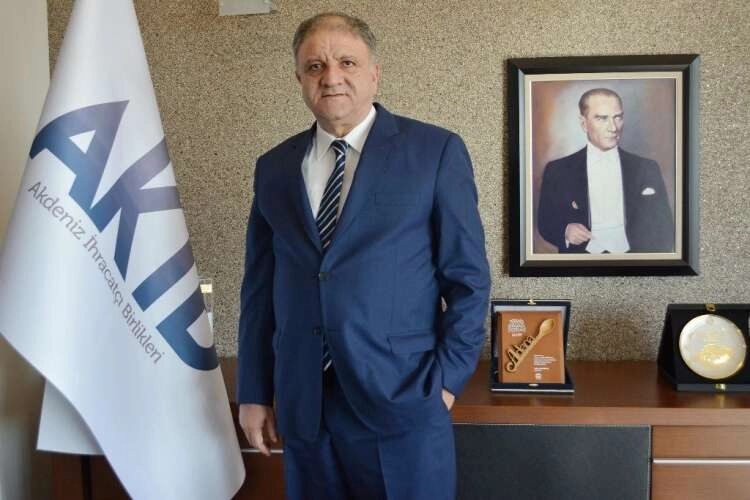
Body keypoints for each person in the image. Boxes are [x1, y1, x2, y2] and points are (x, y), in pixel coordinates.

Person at [236, 12, 490, 500]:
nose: (331, 77)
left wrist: (446, 382)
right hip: (305, 406)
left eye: (347, 62)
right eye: (315, 66)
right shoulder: (274, 167)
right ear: (298, 79)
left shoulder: (435, 152)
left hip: (404, 400)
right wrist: (253, 391)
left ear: (374, 73)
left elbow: (468, 280)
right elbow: (259, 290)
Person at [537, 88, 674, 254]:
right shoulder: (558, 170)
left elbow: (665, 228)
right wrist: (565, 230)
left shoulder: (647, 168)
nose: (613, 127)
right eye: (602, 118)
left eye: (618, 117)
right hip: (580, 263)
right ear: (583, 123)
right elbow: (545, 222)